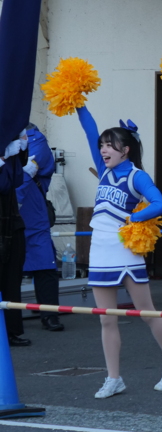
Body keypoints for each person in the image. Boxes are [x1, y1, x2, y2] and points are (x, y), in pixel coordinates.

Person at [74, 108, 162, 398]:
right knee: (106, 318)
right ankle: (114, 378)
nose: (103, 149)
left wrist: (133, 219)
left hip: (125, 250)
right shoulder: (105, 168)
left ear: (126, 150)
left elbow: (160, 204)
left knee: (147, 313)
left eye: (110, 145)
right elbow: (89, 129)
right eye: (102, 145)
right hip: (99, 249)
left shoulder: (136, 176)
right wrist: (78, 100)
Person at [17, 124, 62, 332]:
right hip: (8, 215)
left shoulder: (36, 138)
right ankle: (10, 322)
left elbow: (27, 173)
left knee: (45, 265)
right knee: (8, 271)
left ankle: (50, 315)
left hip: (32, 214)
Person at [1, 136, 28, 347]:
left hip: (10, 222)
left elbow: (16, 178)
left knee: (12, 280)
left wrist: (19, 150)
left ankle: (11, 331)